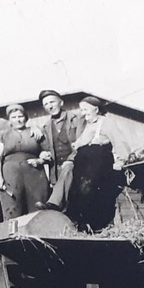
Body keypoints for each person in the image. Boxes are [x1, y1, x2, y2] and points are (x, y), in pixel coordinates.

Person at [48, 95, 129, 231]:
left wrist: (119, 162)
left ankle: (94, 226)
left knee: (91, 194)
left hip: (98, 165)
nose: (83, 113)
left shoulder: (106, 123)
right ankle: (81, 225)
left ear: (96, 110)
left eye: (85, 110)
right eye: (81, 110)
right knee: (78, 194)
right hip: (83, 166)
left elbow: (120, 143)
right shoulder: (88, 125)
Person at [0, 102, 52, 220]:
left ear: (25, 117)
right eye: (13, 117)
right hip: (11, 176)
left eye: (20, 116)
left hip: (34, 175)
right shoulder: (3, 135)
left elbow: (47, 153)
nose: (18, 120)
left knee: (38, 208)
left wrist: (40, 160)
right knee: (13, 209)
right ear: (9, 120)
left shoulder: (36, 132)